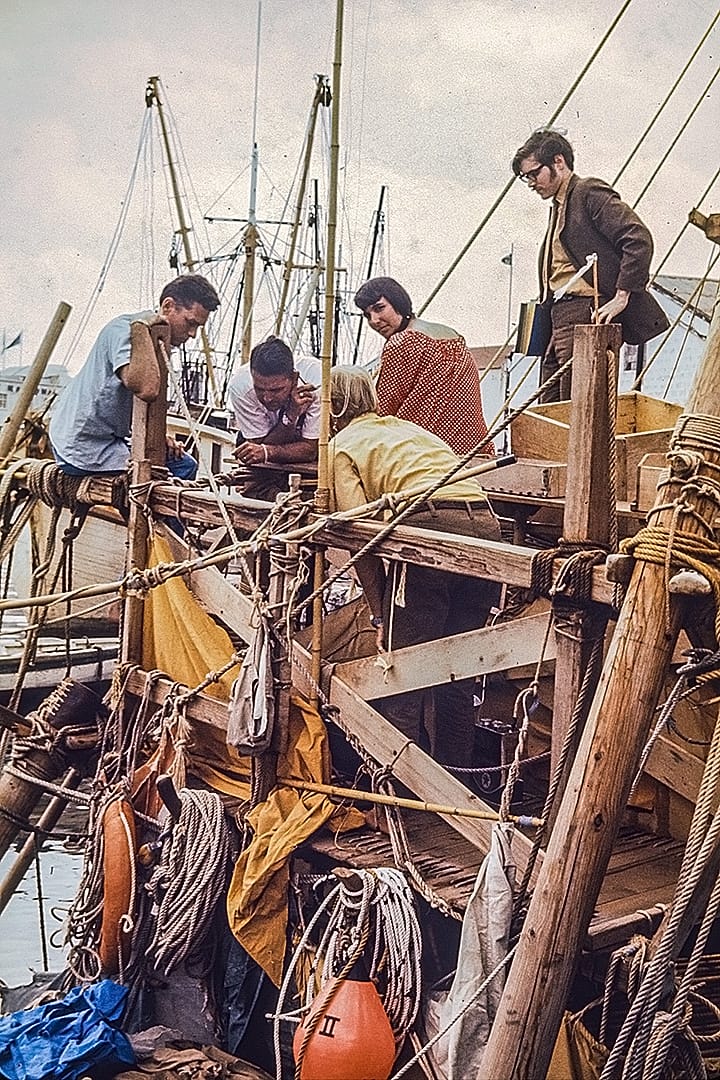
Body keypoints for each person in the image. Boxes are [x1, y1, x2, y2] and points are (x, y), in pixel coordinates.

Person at [328, 365, 502, 768]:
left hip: (429, 528)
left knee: (403, 670)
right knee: (455, 668)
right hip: (486, 527)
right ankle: (455, 782)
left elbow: (362, 535)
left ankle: (400, 788)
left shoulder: (341, 445)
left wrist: (379, 614)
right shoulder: (408, 429)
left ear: (333, 408)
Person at [512, 128, 669, 401]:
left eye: (534, 173)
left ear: (558, 162)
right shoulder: (560, 206)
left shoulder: (588, 192)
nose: (531, 183)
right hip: (558, 320)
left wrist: (622, 297)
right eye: (526, 178)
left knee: (579, 409)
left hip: (585, 315)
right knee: (549, 412)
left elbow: (638, 239)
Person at [49, 274, 220, 478]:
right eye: (190, 323)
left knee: (185, 464)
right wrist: (139, 327)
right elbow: (147, 389)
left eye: (198, 327)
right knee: (172, 472)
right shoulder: (124, 330)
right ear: (167, 306)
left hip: (109, 439)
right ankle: (139, 510)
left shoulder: (158, 342)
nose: (192, 334)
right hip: (82, 446)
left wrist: (158, 438)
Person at [353, 276, 493, 457]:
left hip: (425, 451)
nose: (374, 320)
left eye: (379, 308)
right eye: (367, 315)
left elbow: (383, 408)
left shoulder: (402, 342)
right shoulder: (452, 336)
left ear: (398, 302)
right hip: (471, 446)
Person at [227, 336, 321, 499]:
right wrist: (291, 416)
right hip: (265, 445)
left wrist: (266, 451)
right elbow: (256, 451)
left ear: (294, 378)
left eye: (276, 390)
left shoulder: (317, 381)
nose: (267, 398)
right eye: (260, 389)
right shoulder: (240, 386)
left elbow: (310, 450)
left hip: (306, 459)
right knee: (254, 486)